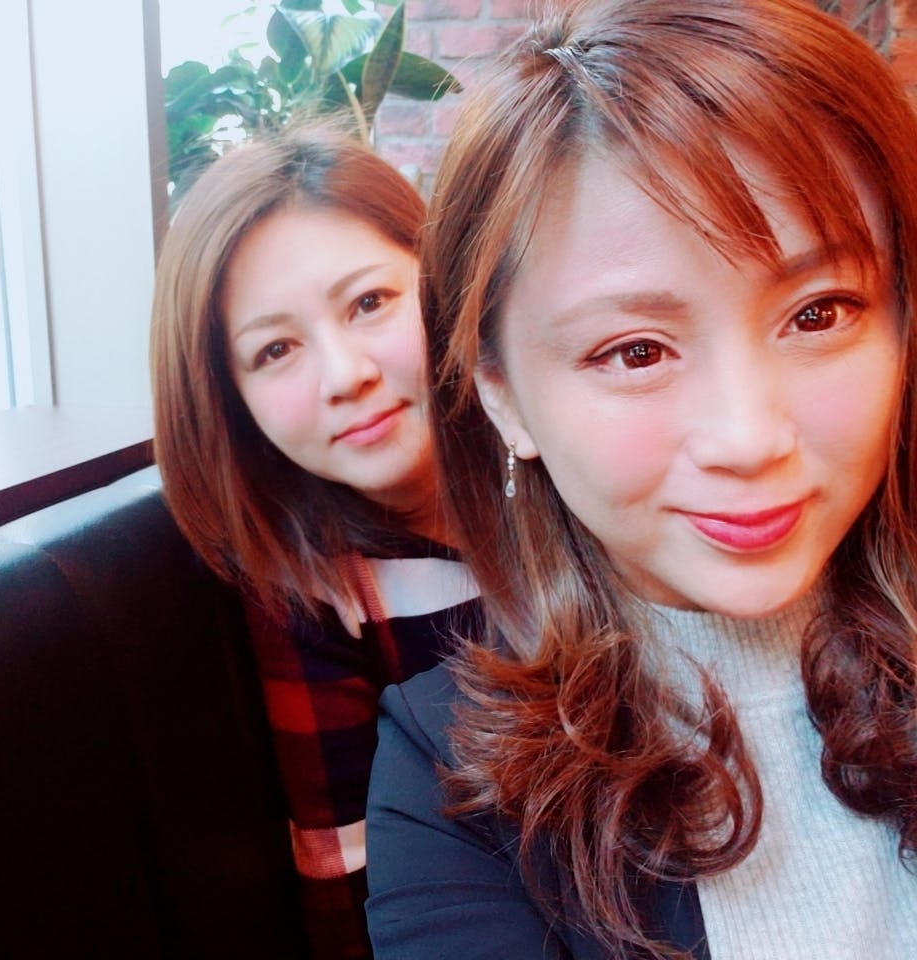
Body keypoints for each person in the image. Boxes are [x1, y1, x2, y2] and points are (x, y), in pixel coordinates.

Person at [365, 1, 917, 957]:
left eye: (819, 313)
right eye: (635, 351)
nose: (748, 439)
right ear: (503, 396)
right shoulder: (446, 777)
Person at [149, 123, 478, 959]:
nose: (345, 375)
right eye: (276, 350)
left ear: (444, 278)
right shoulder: (316, 592)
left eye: (370, 303)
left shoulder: (576, 469)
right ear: (230, 399)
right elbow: (355, 880)